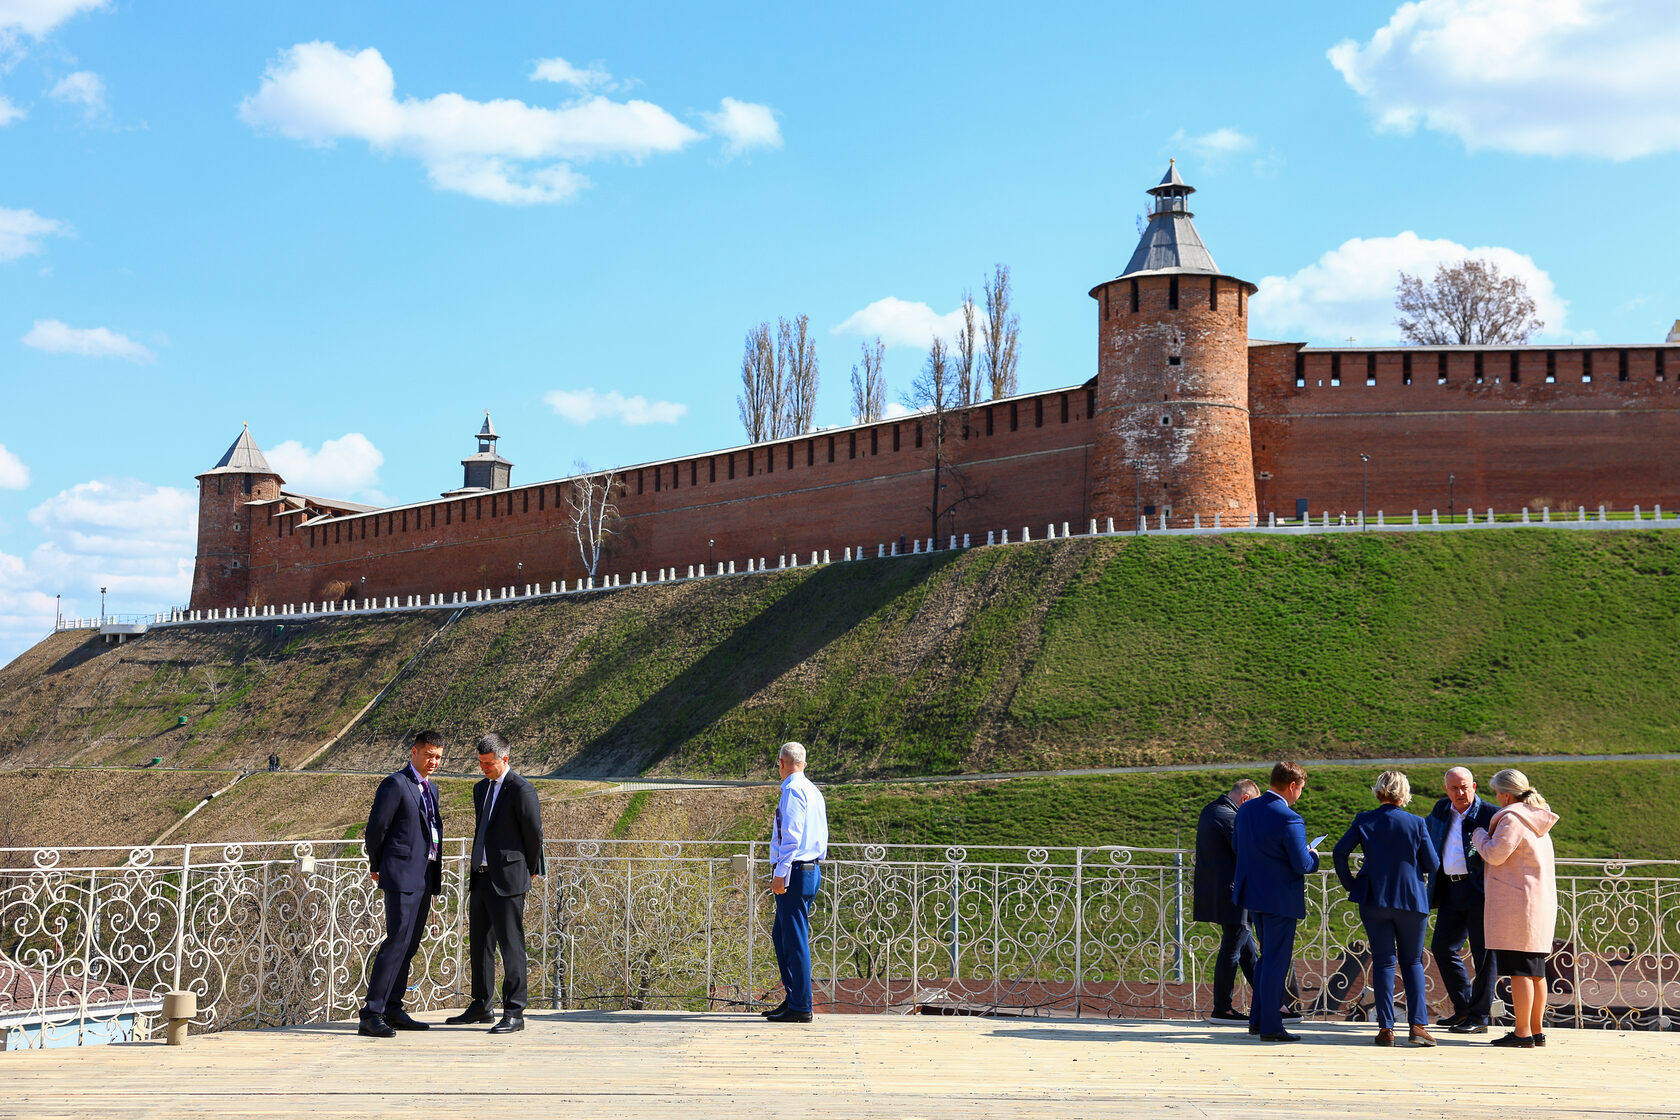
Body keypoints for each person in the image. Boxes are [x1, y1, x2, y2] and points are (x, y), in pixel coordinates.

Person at [446, 732, 545, 1035]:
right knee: (480, 944)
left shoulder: (521, 790)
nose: (484, 768)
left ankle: (514, 1011)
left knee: (511, 945)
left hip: (509, 879)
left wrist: (531, 868)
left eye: (488, 763)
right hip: (481, 876)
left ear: (506, 759)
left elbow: (533, 833)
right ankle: (481, 1005)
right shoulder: (480, 789)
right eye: (480, 763)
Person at [1332, 771, 1440, 1047]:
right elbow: (1432, 864)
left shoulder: (1364, 820)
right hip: (1411, 899)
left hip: (1373, 898)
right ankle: (1417, 1026)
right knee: (1413, 961)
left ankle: (1385, 1028)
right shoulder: (1416, 823)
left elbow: (1339, 852)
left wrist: (1351, 884)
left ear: (1378, 791)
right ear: (1405, 793)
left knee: (1383, 961)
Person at [359, 730, 446, 1038]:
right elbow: (376, 828)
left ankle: (394, 1008)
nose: (433, 761)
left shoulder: (431, 789)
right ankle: (372, 1013)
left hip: (425, 875)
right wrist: (377, 865)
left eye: (437, 756)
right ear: (413, 753)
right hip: (400, 874)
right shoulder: (395, 784)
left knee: (409, 945)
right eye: (428, 755)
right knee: (396, 941)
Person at [1233, 761, 1319, 1042]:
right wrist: (1313, 855)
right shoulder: (1289, 817)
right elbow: (1302, 863)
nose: (1300, 794)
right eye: (1301, 789)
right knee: (1275, 961)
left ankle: (1258, 1019)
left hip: (1252, 894)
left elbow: (1238, 846)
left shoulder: (1246, 808)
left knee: (1265, 959)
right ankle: (1270, 1025)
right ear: (1292, 785)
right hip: (1279, 898)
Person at [1472, 768, 1559, 1048]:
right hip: (1539, 902)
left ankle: (1522, 1033)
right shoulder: (1537, 819)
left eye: (1497, 793)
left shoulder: (1513, 818)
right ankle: (1536, 1030)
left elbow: (1496, 854)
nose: (1496, 798)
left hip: (1518, 905)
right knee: (1536, 970)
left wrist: (1479, 836)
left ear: (1506, 795)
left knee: (1520, 970)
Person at [1426, 766, 1499, 1033]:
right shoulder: (1440, 810)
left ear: (1474, 786)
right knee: (1443, 947)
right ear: (1446, 790)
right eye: (1454, 788)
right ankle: (1464, 1009)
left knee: (1484, 956)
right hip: (1450, 890)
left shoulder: (1490, 814)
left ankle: (1479, 1018)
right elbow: (1425, 835)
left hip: (1480, 891)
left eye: (1464, 787)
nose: (1460, 792)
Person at [764, 741, 828, 1024]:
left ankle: (801, 1005)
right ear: (804, 762)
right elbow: (820, 833)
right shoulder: (813, 791)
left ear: (781, 763)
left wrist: (781, 872)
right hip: (811, 869)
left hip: (795, 871)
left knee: (795, 939)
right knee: (783, 936)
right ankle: (793, 998)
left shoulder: (791, 790)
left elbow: (791, 835)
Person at [1193, 779, 1261, 1021]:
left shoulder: (1213, 810)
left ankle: (1272, 1004)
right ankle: (1222, 1008)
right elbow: (1250, 848)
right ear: (1245, 800)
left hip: (1225, 892)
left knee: (1248, 952)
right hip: (1233, 894)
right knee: (1232, 949)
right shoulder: (1228, 816)